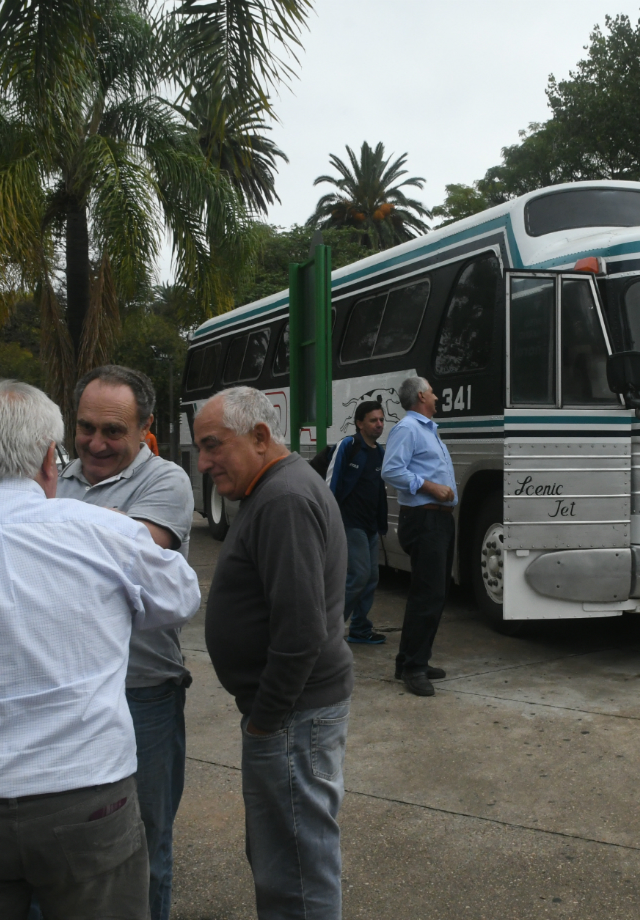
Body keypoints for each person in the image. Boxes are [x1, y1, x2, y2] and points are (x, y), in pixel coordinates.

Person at [0, 380, 200, 919]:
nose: (94, 443)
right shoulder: (102, 533)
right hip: (86, 793)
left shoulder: (137, 500)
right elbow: (179, 598)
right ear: (51, 459)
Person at [195, 386, 352, 920]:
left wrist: (265, 721)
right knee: (285, 858)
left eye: (214, 445)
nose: (203, 461)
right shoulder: (274, 489)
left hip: (290, 717)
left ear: (260, 436)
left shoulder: (283, 498)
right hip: (290, 714)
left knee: (295, 873)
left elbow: (301, 629)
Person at [57, 365, 195, 920]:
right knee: (66, 850)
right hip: (66, 692)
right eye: (85, 427)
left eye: (113, 432)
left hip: (144, 693)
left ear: (145, 429)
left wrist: (44, 528)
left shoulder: (167, 481)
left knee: (144, 845)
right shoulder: (56, 476)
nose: (96, 443)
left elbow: (138, 552)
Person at [381, 376, 457, 697]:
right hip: (424, 520)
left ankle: (412, 661)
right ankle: (413, 668)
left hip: (438, 521)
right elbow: (391, 470)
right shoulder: (408, 429)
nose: (438, 396)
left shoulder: (427, 429)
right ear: (422, 395)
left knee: (433, 594)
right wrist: (431, 486)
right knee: (428, 594)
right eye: (433, 392)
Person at [326, 400, 388, 645]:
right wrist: (328, 520)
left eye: (382, 420)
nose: (379, 424)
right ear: (360, 423)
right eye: (373, 420)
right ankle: (328, 630)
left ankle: (361, 630)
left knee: (371, 577)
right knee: (359, 575)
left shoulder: (380, 452)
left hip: (370, 526)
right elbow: (330, 483)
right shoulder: (348, 446)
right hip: (349, 523)